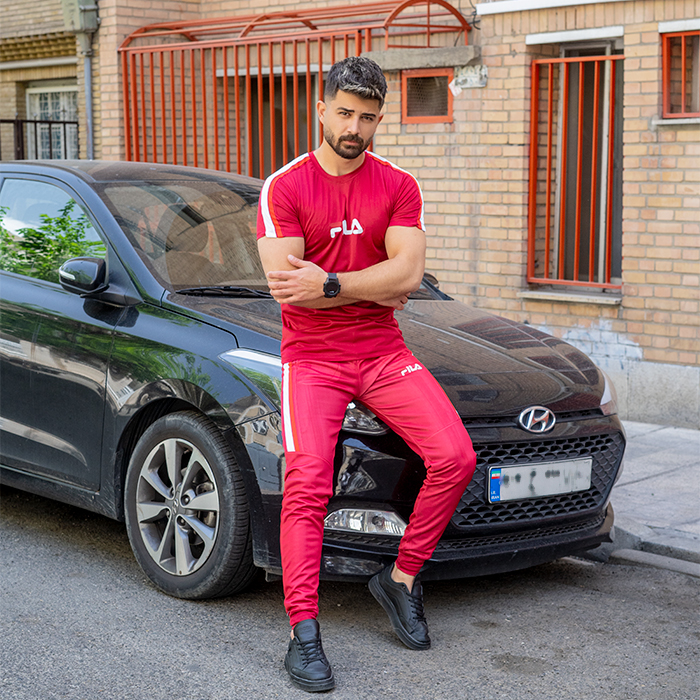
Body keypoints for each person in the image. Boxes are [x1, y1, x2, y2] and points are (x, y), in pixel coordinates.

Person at [257, 56, 477, 693]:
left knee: (456, 457)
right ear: (322, 109)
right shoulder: (285, 187)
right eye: (345, 113)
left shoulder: (399, 185)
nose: (355, 128)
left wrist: (331, 282)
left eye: (369, 117)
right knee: (307, 485)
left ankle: (401, 578)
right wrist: (373, 284)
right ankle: (303, 633)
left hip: (382, 351)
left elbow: (407, 276)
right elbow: (289, 291)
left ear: (381, 119)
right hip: (312, 359)